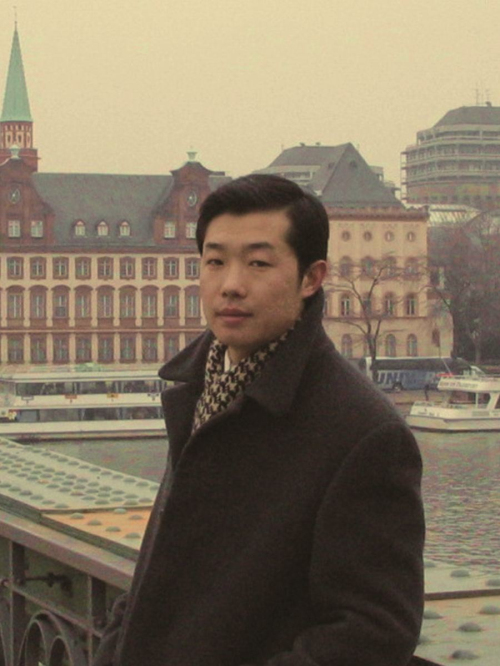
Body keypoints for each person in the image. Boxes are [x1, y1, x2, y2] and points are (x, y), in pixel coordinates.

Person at [93, 174, 426, 666]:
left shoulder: (364, 433)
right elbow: (157, 570)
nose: (231, 284)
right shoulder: (205, 386)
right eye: (215, 261)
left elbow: (374, 631)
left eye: (258, 263)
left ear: (312, 278)